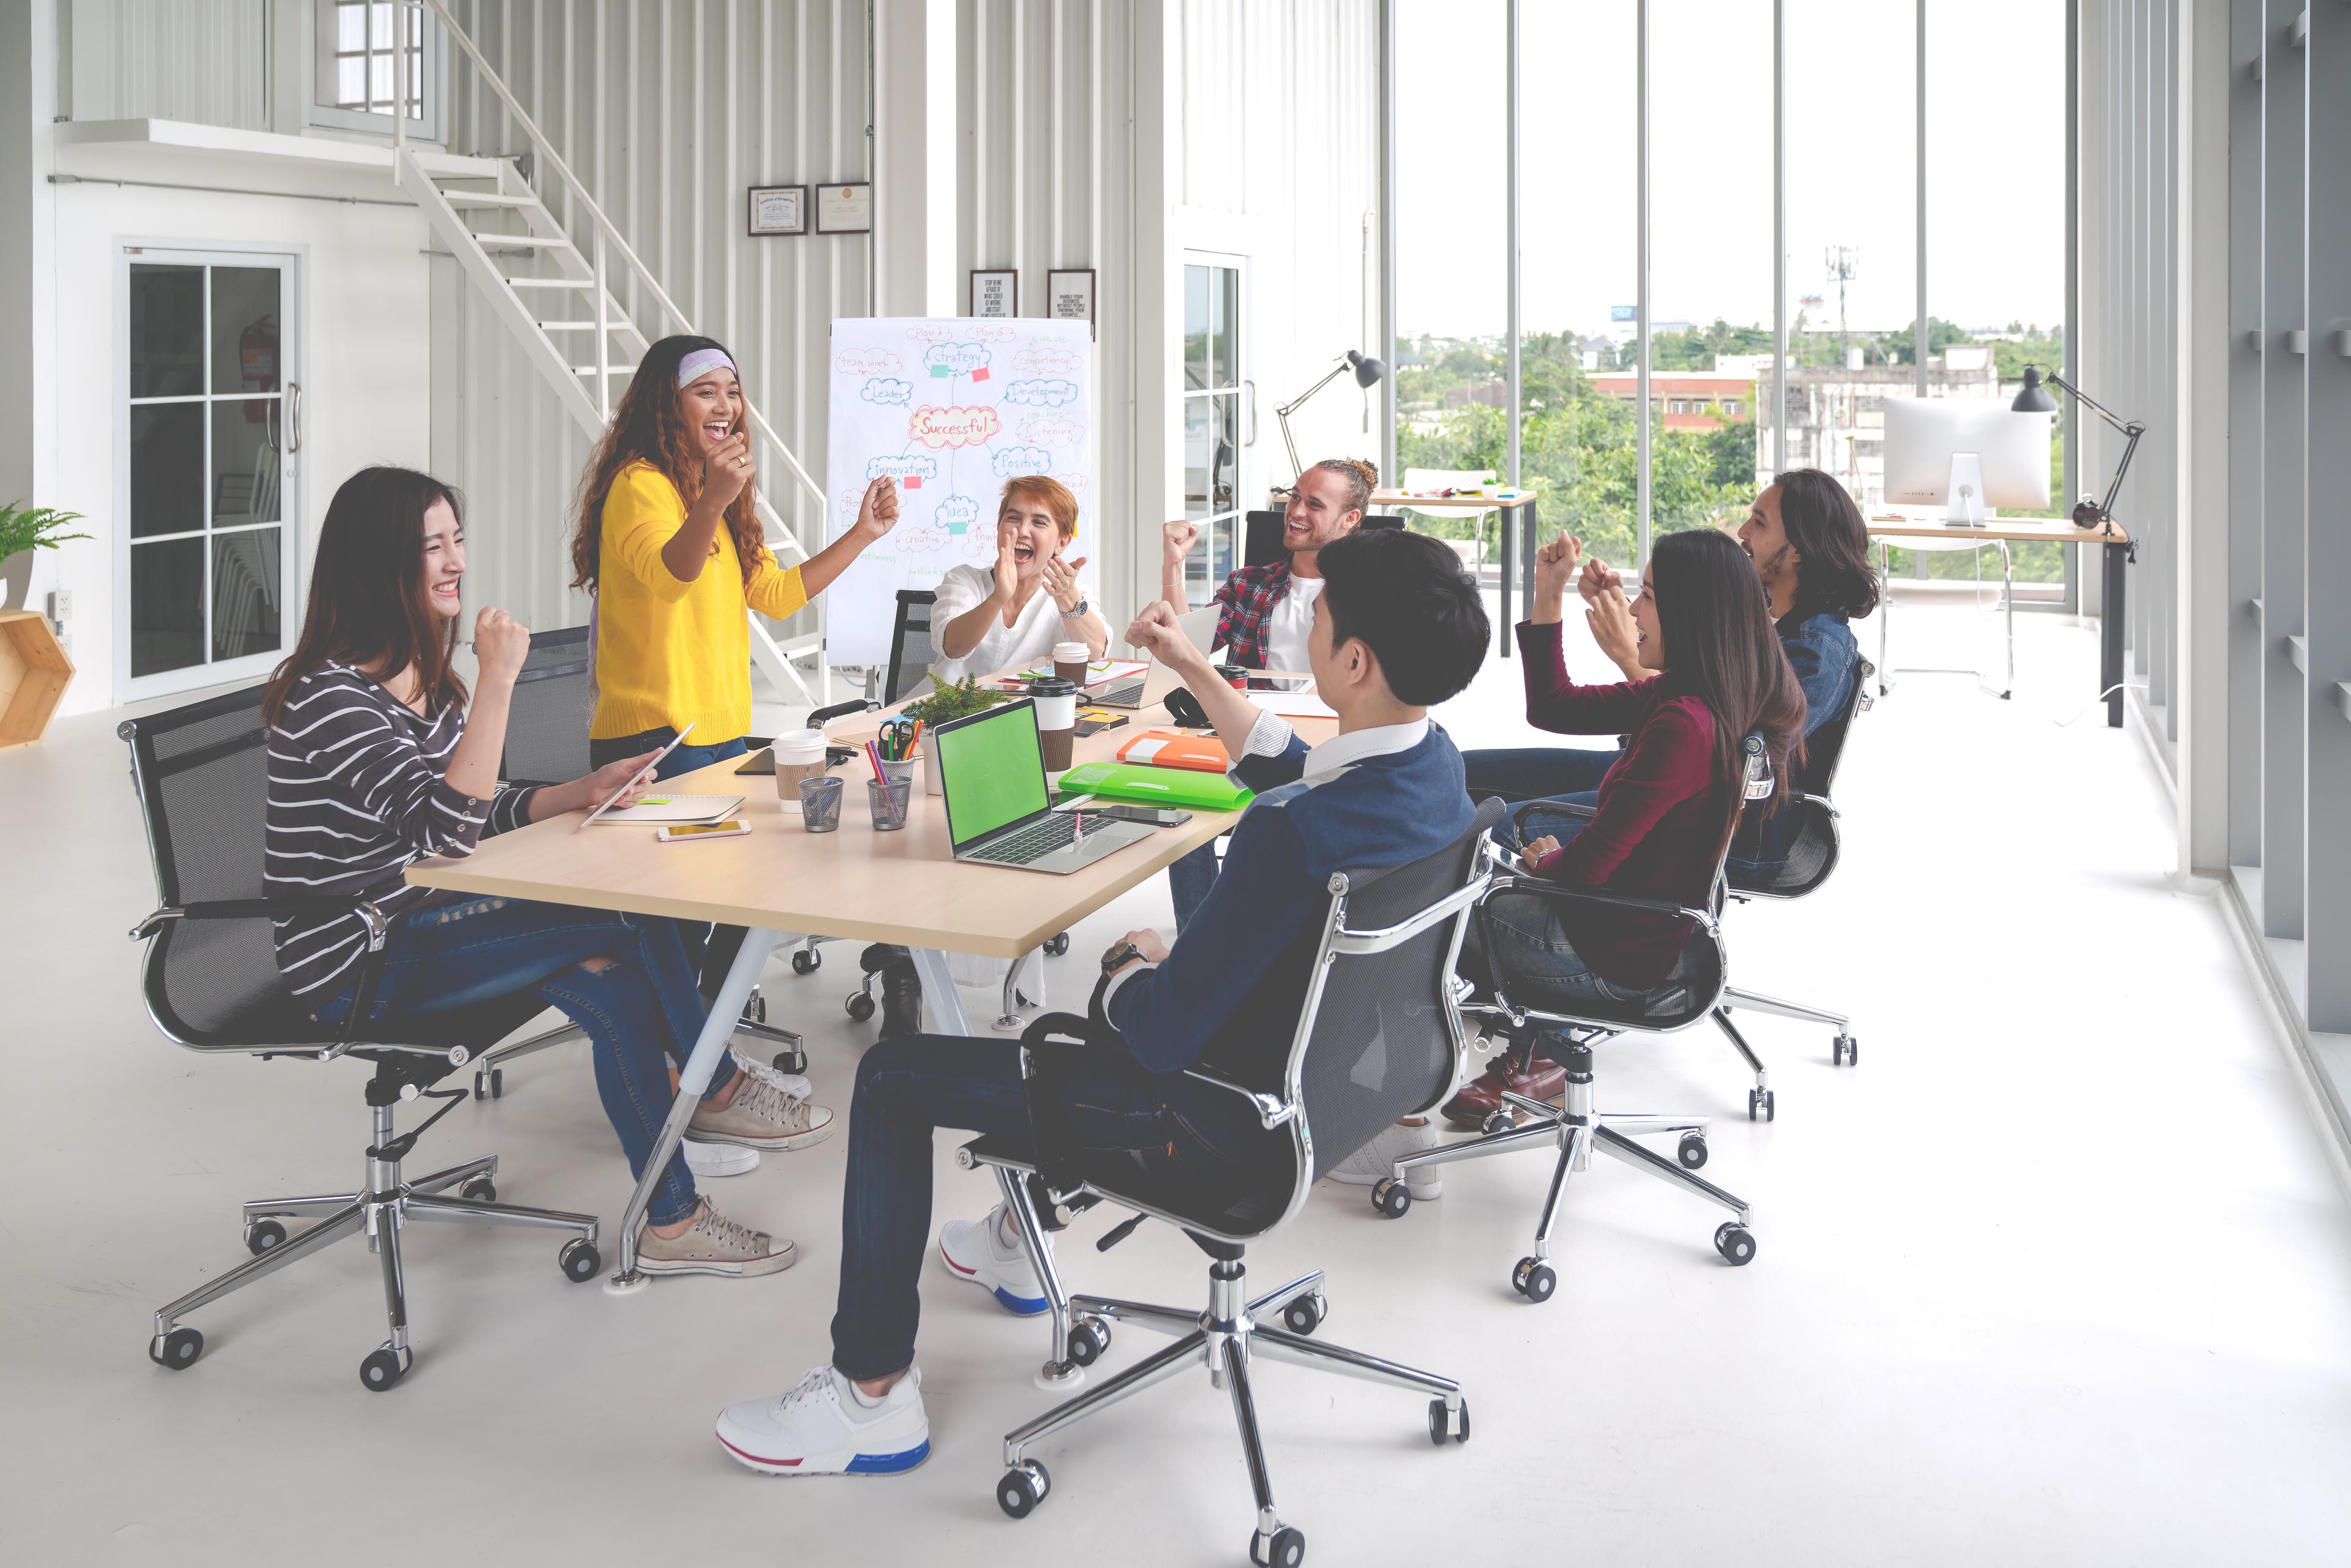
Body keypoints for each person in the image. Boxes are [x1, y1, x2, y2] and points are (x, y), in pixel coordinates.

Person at [710, 528, 1491, 1476]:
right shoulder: (1431, 763)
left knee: (897, 1075)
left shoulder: (1294, 838)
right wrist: (1193, 667)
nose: (1312, 620)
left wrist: (1133, 960)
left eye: (1321, 615)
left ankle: (868, 1394)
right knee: (1071, 1042)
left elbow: (1157, 1032)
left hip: (1206, 1121)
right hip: (1324, 1093)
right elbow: (1294, 761)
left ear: (1353, 659)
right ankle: (1008, 1241)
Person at [265, 467, 828, 1277]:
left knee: (617, 987)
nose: (456, 560)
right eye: (433, 546)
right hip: (360, 959)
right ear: (378, 565)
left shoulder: (425, 679)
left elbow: (478, 801)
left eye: (457, 538)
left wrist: (579, 792)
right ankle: (715, 1090)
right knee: (630, 912)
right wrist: (497, 679)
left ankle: (669, 1222)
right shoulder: (329, 697)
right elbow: (444, 830)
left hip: (424, 921)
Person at [570, 334, 898, 1015]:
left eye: (732, 390)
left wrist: (862, 534)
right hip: (656, 739)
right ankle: (682, 1049)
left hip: (718, 733)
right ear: (670, 404)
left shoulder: (708, 491)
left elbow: (775, 593)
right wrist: (715, 499)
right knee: (681, 924)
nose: (726, 406)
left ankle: (702, 1032)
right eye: (705, 391)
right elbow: (670, 575)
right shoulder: (640, 485)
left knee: (760, 890)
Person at [1441, 527, 1807, 1126]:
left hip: (1601, 951)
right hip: (1641, 931)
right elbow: (1553, 706)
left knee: (1423, 899)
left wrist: (1546, 860)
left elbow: (1585, 869)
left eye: (1650, 597)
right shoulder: (1701, 695)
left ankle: (1397, 1082)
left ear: (1693, 614)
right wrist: (1549, 592)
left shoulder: (1684, 724)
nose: (1633, 610)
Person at [1460, 468, 1874, 833]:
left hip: (1699, 817)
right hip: (1659, 777)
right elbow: (1554, 707)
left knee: (1468, 836)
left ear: (1799, 548)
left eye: (1760, 523)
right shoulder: (1770, 633)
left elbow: (1713, 759)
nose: (1744, 532)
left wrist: (1629, 654)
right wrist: (1550, 591)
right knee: (1458, 774)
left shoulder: (1815, 653)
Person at [1158, 456, 1379, 931]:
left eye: (1313, 504)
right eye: (1294, 497)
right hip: (1250, 740)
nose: (1295, 511)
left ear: (1350, 520)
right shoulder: (1252, 584)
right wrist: (1175, 565)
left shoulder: (1370, 598)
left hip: (1326, 751)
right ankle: (1198, 941)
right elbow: (1189, 649)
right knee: (1185, 801)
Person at [928, 475, 1108, 683]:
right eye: (1013, 518)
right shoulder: (965, 580)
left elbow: (1095, 651)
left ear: (1062, 543)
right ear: (999, 527)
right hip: (946, 710)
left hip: (1025, 713)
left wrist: (1069, 599)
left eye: (1039, 522)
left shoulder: (1072, 596)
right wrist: (998, 597)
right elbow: (952, 647)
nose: (1022, 531)